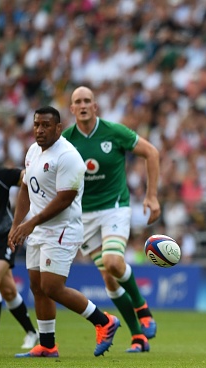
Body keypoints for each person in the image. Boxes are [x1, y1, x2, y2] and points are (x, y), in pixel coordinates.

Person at [8, 106, 120, 358]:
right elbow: (25, 187)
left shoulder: (68, 156)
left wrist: (31, 223)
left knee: (52, 287)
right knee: (36, 286)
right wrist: (17, 224)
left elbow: (65, 199)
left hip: (62, 228)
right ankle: (47, 344)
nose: (40, 129)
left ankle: (104, 322)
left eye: (46, 125)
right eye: (37, 124)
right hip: (37, 228)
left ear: (58, 128)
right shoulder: (33, 151)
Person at [62, 86, 160, 353]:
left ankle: (142, 307)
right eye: (77, 102)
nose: (82, 105)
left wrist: (151, 196)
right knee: (108, 279)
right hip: (83, 215)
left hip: (114, 207)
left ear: (95, 106)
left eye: (87, 101)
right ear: (71, 109)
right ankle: (138, 336)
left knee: (114, 262)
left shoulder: (114, 132)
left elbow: (151, 152)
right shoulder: (65, 140)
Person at [0, 165, 38, 350]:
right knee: (9, 291)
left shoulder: (2, 174)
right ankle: (32, 332)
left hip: (3, 237)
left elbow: (27, 178)